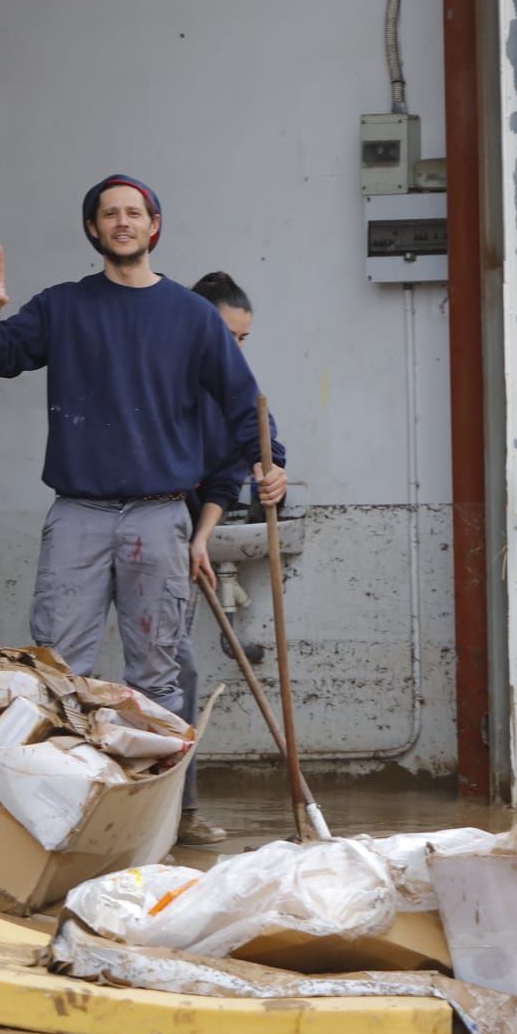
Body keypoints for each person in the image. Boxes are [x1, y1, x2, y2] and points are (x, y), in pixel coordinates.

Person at [0, 175, 286, 792]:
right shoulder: (63, 306)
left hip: (158, 516)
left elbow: (246, 403)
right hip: (78, 514)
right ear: (93, 229)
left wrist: (273, 464)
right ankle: (66, 803)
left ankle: (157, 815)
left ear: (153, 226)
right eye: (109, 214)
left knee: (157, 676)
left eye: (133, 213)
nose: (122, 222)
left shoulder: (192, 317)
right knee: (59, 672)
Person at [172, 271, 286, 846]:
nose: (235, 351)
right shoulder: (158, 379)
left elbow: (246, 461)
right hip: (134, 523)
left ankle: (179, 811)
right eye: (227, 336)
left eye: (243, 340)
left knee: (177, 673)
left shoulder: (235, 391)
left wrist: (271, 474)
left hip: (185, 537)